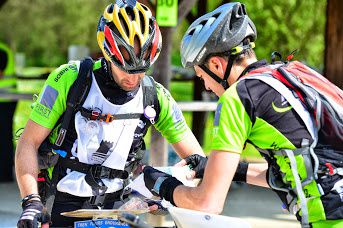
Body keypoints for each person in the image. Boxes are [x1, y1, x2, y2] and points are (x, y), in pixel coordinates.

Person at [143, 2, 343, 228]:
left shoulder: (238, 97)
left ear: (216, 65)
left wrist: (162, 185)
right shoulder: (294, 73)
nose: (207, 87)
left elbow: (208, 203)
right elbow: (298, 168)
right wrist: (232, 170)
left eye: (201, 77)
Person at [15, 1, 204, 227]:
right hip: (61, 207)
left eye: (142, 70)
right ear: (106, 52)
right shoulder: (69, 79)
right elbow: (28, 142)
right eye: (125, 68)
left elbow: (197, 162)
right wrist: (31, 202)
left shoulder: (155, 96)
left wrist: (172, 192)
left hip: (119, 211)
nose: (133, 79)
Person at [0, 41, 17, 182]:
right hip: (5, 100)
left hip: (4, 101)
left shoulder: (1, 51)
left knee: (4, 138)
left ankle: (4, 174)